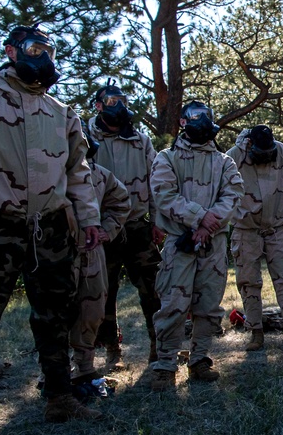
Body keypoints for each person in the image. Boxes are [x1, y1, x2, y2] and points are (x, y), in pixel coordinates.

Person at [0, 24, 104, 435]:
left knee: (55, 314)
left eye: (49, 49)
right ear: (12, 51)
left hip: (51, 227)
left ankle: (60, 398)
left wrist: (89, 219)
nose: (43, 56)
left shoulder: (61, 112)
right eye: (35, 48)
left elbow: (78, 173)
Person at [149, 101, 243, 390]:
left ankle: (200, 358)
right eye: (195, 117)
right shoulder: (167, 158)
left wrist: (207, 227)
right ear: (182, 122)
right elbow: (164, 195)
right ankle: (165, 364)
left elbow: (234, 195)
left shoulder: (224, 162)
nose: (202, 122)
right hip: (180, 245)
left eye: (206, 117)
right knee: (173, 305)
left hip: (212, 247)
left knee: (208, 305)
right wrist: (201, 219)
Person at [89, 83, 165, 368]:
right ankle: (112, 349)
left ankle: (158, 347)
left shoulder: (141, 141)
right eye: (110, 100)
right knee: (103, 292)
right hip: (101, 229)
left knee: (153, 289)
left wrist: (157, 222)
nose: (117, 105)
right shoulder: (85, 138)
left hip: (137, 227)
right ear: (98, 105)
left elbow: (156, 183)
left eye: (121, 99)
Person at [227, 124, 283, 351]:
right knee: (249, 283)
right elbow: (225, 190)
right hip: (246, 231)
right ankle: (256, 333)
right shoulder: (233, 156)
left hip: (276, 228)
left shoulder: (281, 150)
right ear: (249, 145)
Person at [70, 129, 130, 387]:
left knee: (92, 309)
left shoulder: (99, 174)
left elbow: (122, 201)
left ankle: (84, 368)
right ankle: (51, 373)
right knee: (55, 313)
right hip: (55, 252)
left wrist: (108, 228)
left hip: (91, 251)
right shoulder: (48, 174)